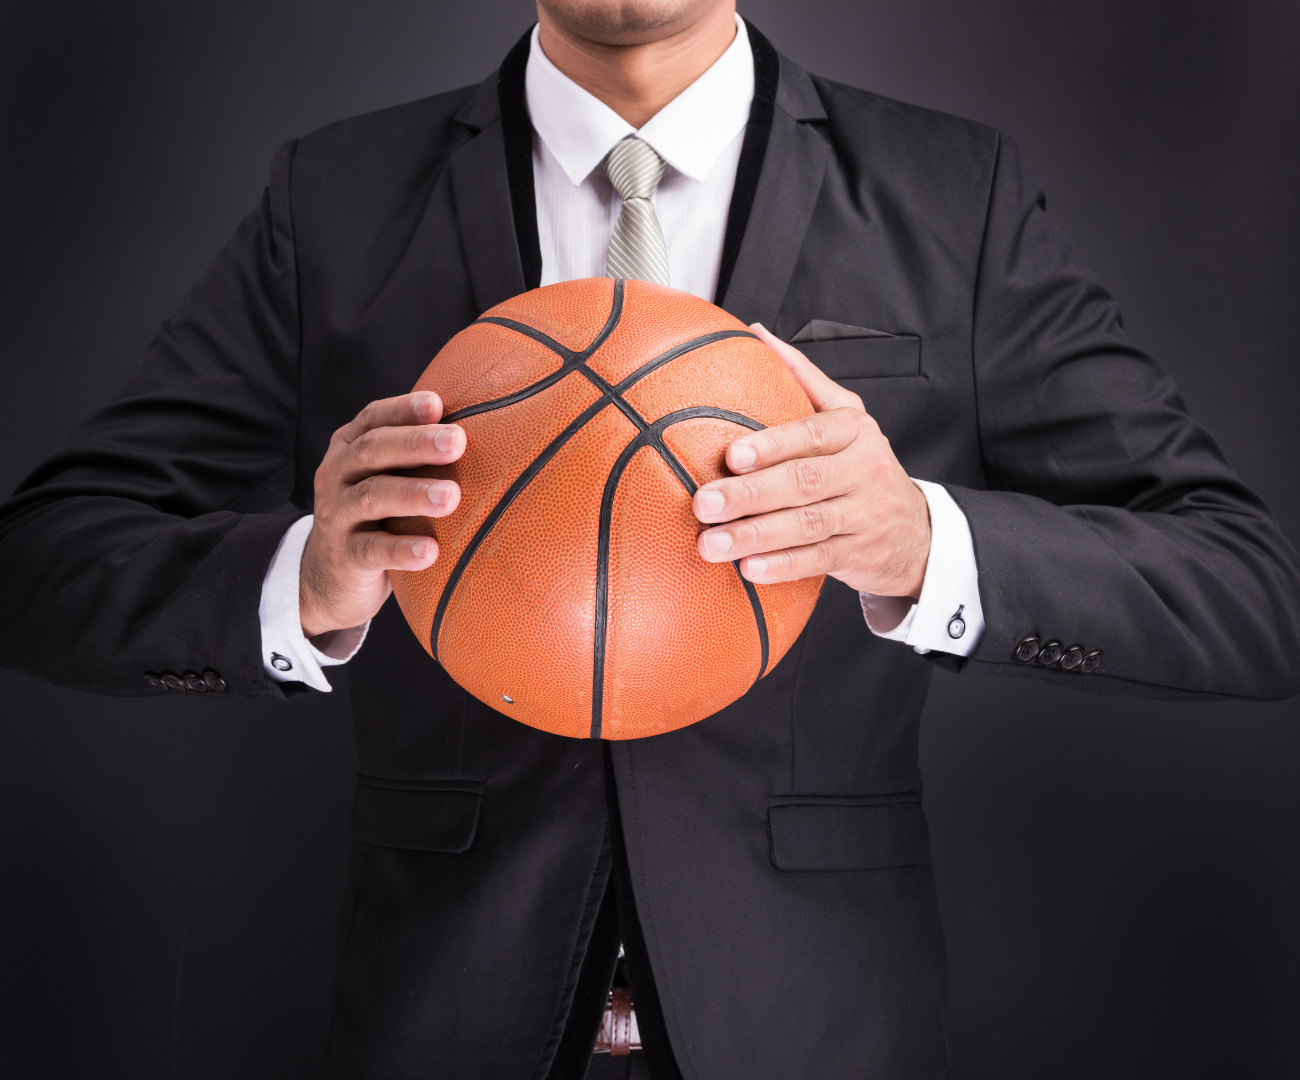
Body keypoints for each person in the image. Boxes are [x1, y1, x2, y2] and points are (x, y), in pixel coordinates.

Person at [0, 0, 1296, 1076]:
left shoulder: (951, 192)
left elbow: (1249, 592)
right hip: (444, 1017)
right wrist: (305, 580)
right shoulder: (335, 194)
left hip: (813, 1023)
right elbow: (45, 566)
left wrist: (923, 544)